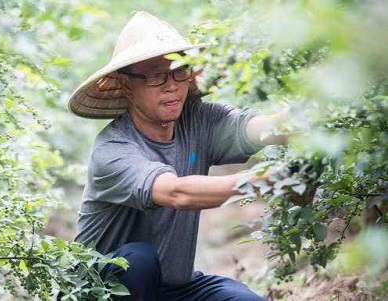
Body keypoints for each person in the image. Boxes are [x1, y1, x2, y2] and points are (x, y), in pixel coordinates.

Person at [68, 11, 287, 301]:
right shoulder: (113, 148)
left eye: (179, 71)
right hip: (105, 290)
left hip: (175, 289)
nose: (171, 85)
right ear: (126, 86)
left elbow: (257, 128)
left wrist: (312, 123)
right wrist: (267, 179)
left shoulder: (198, 120)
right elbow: (176, 193)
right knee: (138, 260)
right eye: (156, 76)